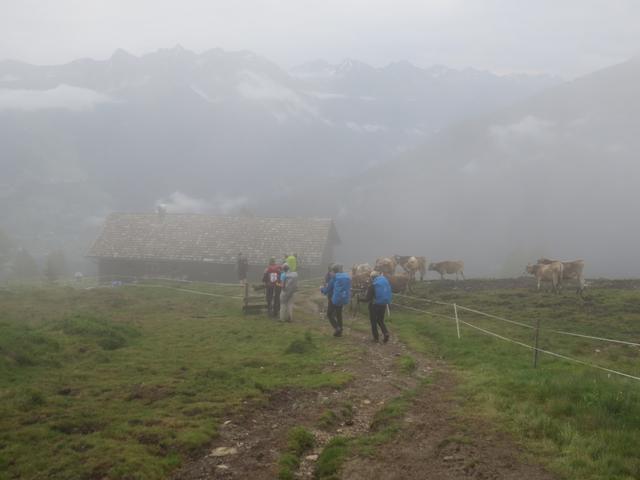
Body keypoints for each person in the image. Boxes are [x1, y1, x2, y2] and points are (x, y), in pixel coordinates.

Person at [321, 263, 351, 337]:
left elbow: (327, 290)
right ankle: (340, 332)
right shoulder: (344, 277)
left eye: (332, 271)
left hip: (333, 299)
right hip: (342, 298)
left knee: (329, 314)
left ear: (334, 271)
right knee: (339, 314)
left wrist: (321, 289)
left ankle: (337, 328)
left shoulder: (334, 279)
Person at [365, 271, 391, 343]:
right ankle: (386, 333)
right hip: (383, 304)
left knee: (373, 321)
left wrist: (359, 299)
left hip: (374, 305)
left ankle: (376, 338)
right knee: (380, 320)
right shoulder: (385, 282)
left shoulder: (373, 285)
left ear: (372, 277)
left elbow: (367, 299)